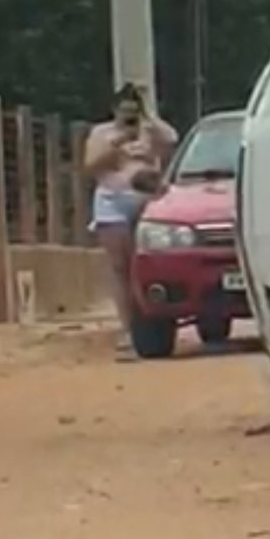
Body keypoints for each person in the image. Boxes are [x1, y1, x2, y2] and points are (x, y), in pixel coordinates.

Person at [83, 83, 178, 361]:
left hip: (146, 201)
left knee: (146, 263)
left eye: (133, 112)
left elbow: (171, 139)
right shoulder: (102, 133)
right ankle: (127, 331)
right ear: (114, 111)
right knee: (119, 267)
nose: (129, 117)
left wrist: (148, 120)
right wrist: (119, 141)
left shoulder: (149, 130)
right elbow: (90, 165)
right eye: (125, 112)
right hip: (112, 200)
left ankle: (149, 326)